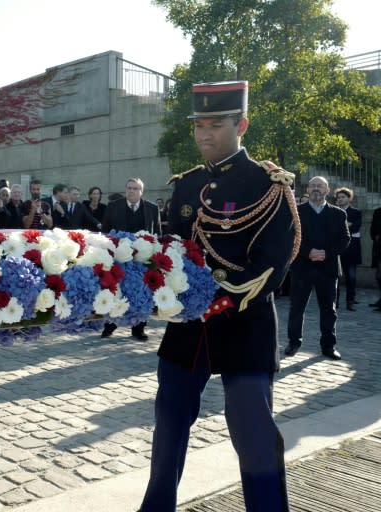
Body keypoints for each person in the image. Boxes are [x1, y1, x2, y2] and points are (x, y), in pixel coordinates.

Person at [139, 81, 296, 511]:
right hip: (188, 329)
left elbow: (272, 262)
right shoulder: (186, 185)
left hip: (244, 324)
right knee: (168, 427)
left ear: (241, 124)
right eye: (199, 126)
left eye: (215, 125)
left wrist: (220, 297)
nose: (204, 134)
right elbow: (170, 250)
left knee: (254, 433)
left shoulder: (268, 183)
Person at [285, 176, 350, 360]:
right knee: (296, 307)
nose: (316, 188)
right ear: (307, 190)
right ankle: (294, 342)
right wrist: (308, 252)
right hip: (302, 267)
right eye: (312, 185)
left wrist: (326, 253)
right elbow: (289, 238)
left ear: (327, 190)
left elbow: (345, 239)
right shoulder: (296, 212)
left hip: (328, 268)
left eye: (320, 186)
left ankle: (329, 346)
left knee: (329, 310)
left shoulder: (338, 214)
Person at [101, 177, 161, 340]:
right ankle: (110, 325)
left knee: (142, 292)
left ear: (141, 191)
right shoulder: (114, 207)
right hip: (120, 257)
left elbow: (157, 233)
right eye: (129, 188)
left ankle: (138, 328)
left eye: (135, 188)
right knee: (117, 290)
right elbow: (106, 231)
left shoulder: (152, 208)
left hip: (143, 259)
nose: (131, 191)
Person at [334, 187, 361, 311]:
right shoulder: (333, 211)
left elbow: (355, 227)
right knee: (335, 278)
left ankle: (350, 301)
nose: (340, 199)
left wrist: (344, 225)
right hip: (337, 249)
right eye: (338, 197)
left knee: (351, 277)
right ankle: (335, 301)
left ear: (349, 198)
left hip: (351, 250)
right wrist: (347, 224)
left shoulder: (356, 212)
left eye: (343, 197)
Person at [371, 206, 381, 310]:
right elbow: (373, 229)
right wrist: (376, 236)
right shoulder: (378, 211)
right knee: (379, 275)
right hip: (379, 247)